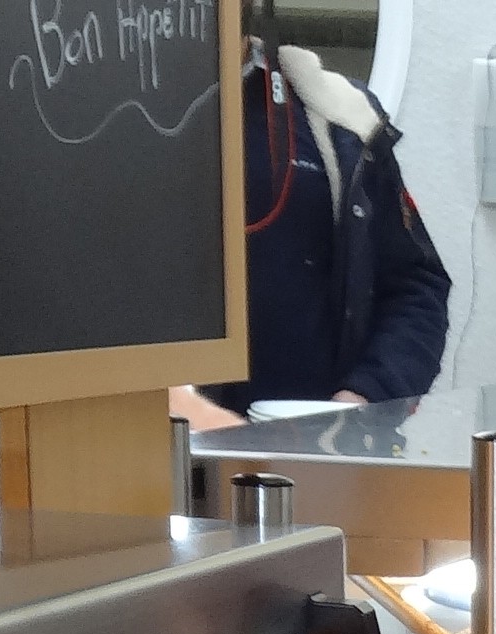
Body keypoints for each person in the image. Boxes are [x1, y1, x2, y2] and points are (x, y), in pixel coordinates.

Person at [177, 44, 451, 422]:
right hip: (141, 453)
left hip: (316, 453)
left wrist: (364, 398)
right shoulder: (108, 118)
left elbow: (415, 287)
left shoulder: (341, 116)